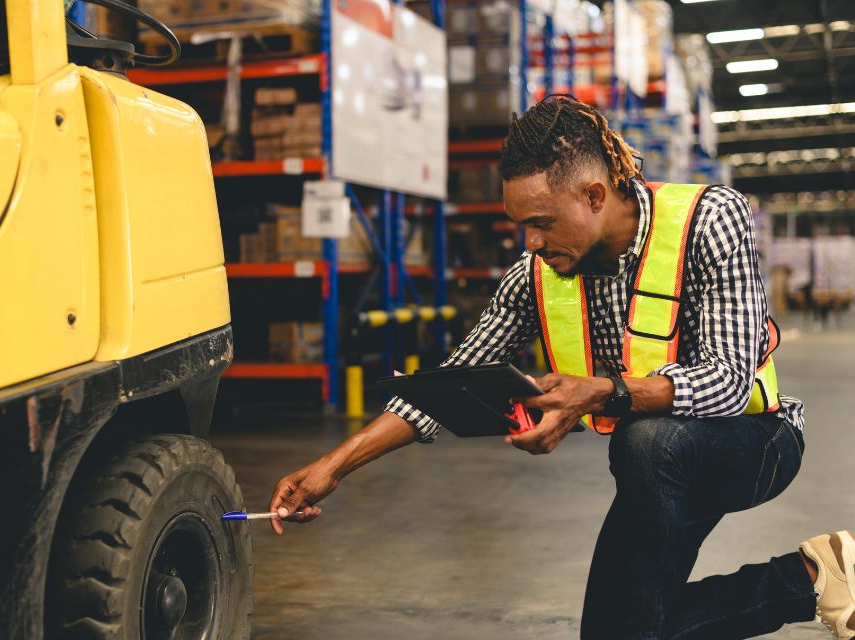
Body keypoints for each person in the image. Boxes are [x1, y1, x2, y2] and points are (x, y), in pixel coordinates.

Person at [267, 95, 855, 639]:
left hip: (754, 444)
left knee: (644, 442)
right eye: (520, 224)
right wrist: (334, 466)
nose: (530, 242)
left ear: (595, 195)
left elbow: (727, 381)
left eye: (543, 222)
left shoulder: (708, 221)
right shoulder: (538, 274)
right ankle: (815, 579)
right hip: (654, 466)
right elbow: (452, 380)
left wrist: (598, 393)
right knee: (620, 631)